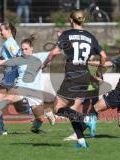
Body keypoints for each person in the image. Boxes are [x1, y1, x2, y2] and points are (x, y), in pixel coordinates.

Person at [42, 9, 107, 148]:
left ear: (71, 20)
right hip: (85, 76)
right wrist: (99, 73)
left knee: (57, 108)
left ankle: (86, 118)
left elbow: (54, 53)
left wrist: (44, 64)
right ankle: (81, 140)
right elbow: (104, 56)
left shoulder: (67, 34)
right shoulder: (91, 36)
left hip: (73, 75)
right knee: (72, 110)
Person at [0, 34, 56, 134]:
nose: (24, 51)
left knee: (40, 119)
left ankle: (44, 116)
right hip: (21, 88)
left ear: (31, 49)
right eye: (22, 49)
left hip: (35, 93)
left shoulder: (39, 57)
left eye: (26, 49)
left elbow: (53, 53)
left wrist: (61, 42)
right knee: (10, 98)